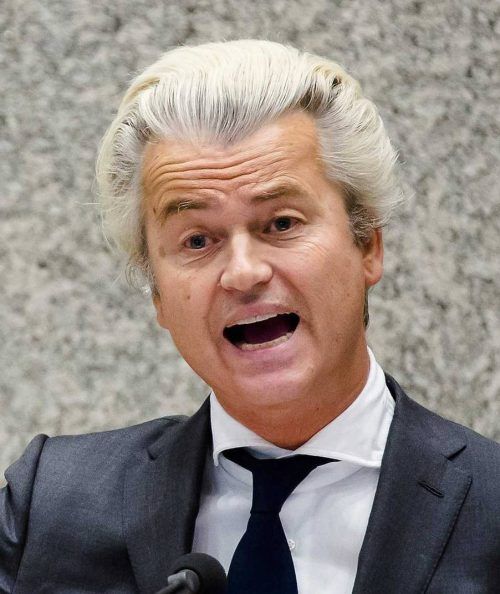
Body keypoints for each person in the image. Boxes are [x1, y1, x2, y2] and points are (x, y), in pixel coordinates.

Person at [0, 40, 498, 594]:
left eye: (281, 224)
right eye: (197, 240)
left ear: (367, 247)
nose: (243, 273)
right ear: (157, 294)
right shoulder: (52, 505)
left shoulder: (490, 508)